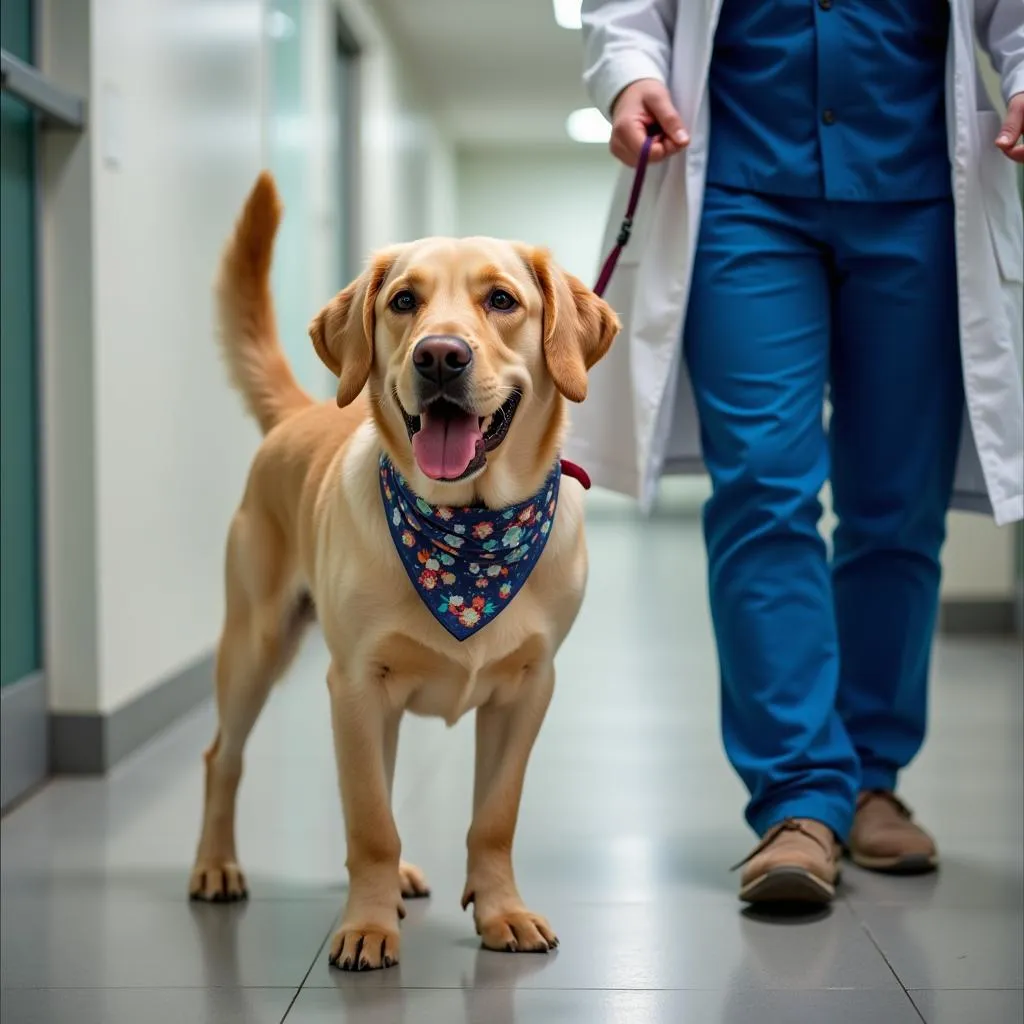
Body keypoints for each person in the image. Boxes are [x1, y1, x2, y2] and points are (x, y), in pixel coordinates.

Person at [573, 1, 1024, 905]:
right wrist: (628, 70)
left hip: (922, 189)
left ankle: (869, 778)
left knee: (897, 506)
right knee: (762, 489)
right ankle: (797, 799)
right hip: (738, 187)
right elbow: (628, 8)